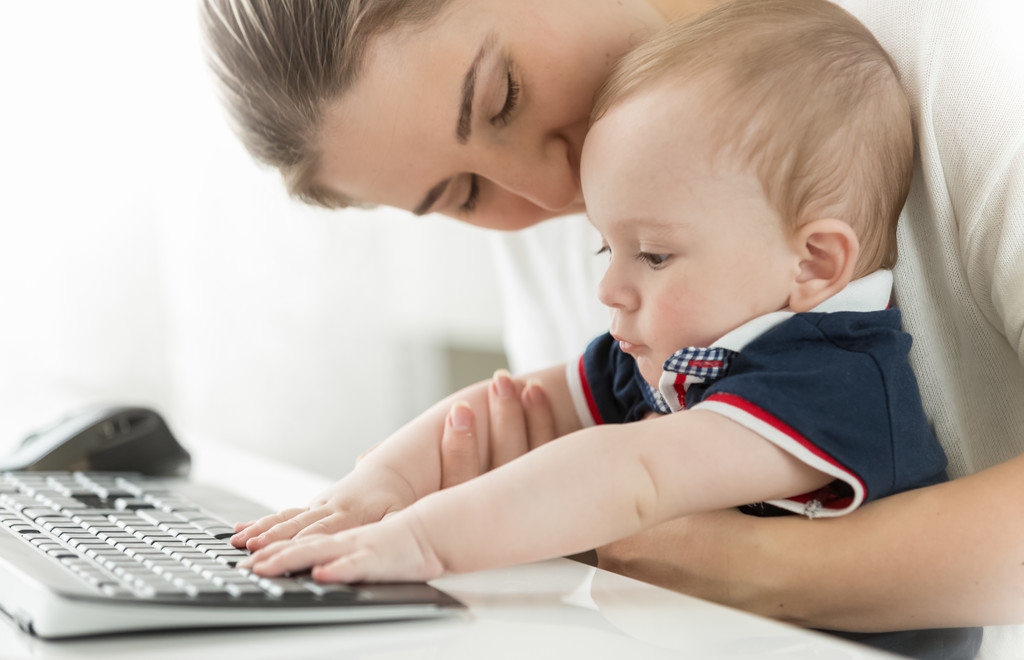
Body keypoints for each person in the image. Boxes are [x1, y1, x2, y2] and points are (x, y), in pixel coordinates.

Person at [200, 0, 1024, 657]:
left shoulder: (974, 62)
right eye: (458, 195)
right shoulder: (615, 258)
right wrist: (379, 491)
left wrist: (745, 569)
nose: (549, 190)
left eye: (502, 98)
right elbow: (536, 406)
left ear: (817, 258)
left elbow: (627, 478)